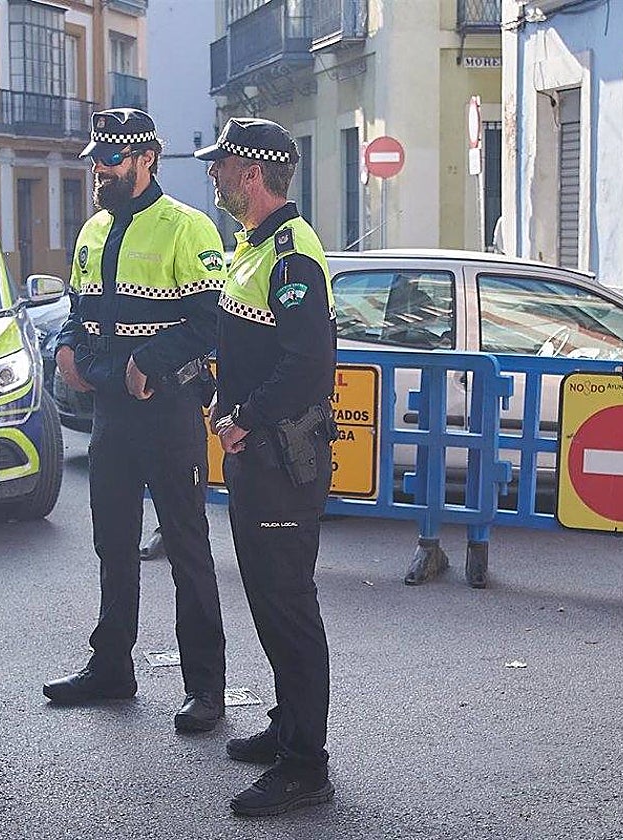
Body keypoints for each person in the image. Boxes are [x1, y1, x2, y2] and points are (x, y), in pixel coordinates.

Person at [43, 108, 229, 734]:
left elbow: (211, 322)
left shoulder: (188, 228)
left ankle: (205, 687)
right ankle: (112, 668)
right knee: (111, 543)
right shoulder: (93, 229)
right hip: (112, 413)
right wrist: (67, 344)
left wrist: (148, 360)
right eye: (97, 159)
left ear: (147, 160)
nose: (100, 170)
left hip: (170, 410)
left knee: (185, 546)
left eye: (112, 160)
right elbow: (80, 309)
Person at [194, 118, 338, 816]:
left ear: (251, 174)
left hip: (283, 455)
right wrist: (224, 401)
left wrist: (243, 417)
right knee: (270, 602)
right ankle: (289, 726)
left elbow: (308, 366)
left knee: (288, 606)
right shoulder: (253, 248)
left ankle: (305, 766)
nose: (214, 177)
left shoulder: (291, 254)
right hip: (260, 456)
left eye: (220, 166)